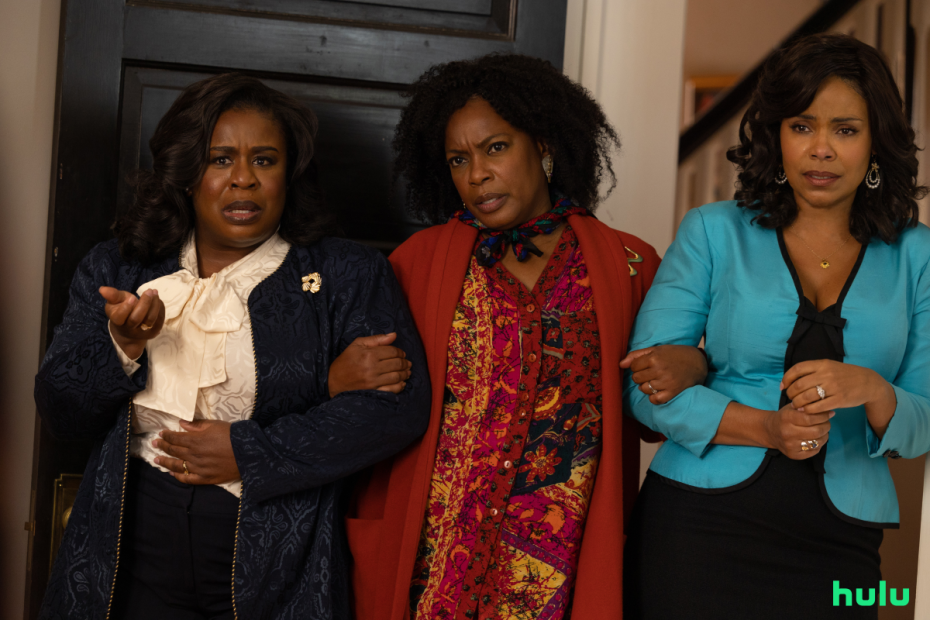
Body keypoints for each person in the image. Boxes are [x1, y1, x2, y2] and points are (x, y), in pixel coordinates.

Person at [35, 73, 430, 620]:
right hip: (130, 547)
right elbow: (61, 410)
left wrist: (247, 451)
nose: (243, 180)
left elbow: (394, 411)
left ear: (288, 175)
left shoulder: (346, 274)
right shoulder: (120, 266)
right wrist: (121, 345)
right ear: (187, 172)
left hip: (279, 558)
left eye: (264, 161)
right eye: (221, 159)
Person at [347, 54, 708, 620]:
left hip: (557, 576)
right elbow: (367, 407)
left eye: (495, 148)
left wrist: (693, 365)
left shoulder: (630, 264)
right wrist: (340, 377)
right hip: (435, 569)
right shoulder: (415, 265)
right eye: (458, 160)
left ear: (542, 145)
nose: (476, 175)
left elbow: (647, 413)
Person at [622, 34, 930, 619]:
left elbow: (924, 421)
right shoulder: (713, 232)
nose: (821, 150)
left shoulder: (918, 255)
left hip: (841, 546)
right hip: (695, 529)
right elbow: (643, 386)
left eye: (845, 129)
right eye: (801, 126)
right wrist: (766, 427)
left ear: (876, 143)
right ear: (776, 135)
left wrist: (872, 389)